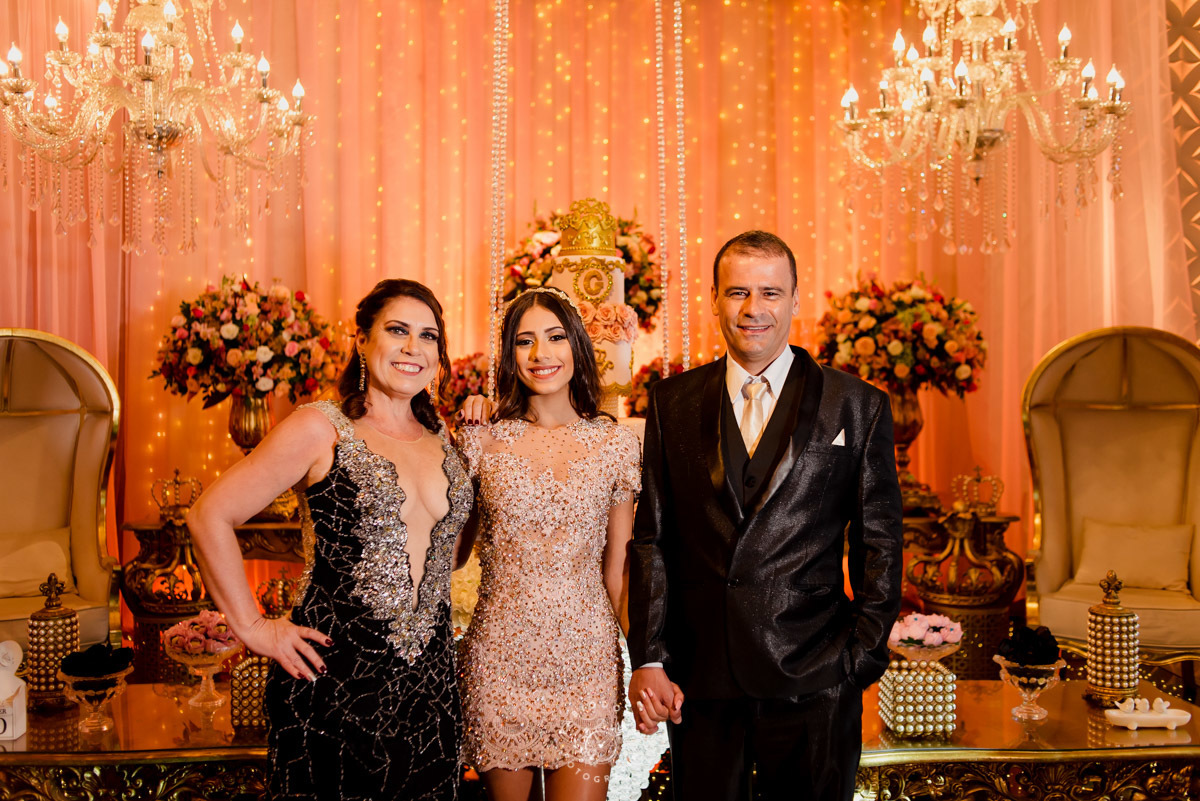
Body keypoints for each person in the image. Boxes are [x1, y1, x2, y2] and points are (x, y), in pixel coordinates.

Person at [626, 231, 903, 801]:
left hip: (816, 675)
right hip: (701, 677)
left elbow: (880, 542)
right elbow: (652, 538)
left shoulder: (857, 405)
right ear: (714, 300)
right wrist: (649, 656)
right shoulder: (671, 402)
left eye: (770, 293)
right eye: (738, 292)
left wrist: (861, 656)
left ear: (796, 299)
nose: (754, 309)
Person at [188, 278, 475, 801]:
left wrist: (479, 459)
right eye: (397, 330)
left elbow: (449, 558)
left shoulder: (446, 441)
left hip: (430, 691)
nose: (414, 348)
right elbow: (210, 515)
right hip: (333, 682)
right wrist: (253, 627)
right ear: (362, 340)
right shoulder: (321, 428)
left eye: (429, 336)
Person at [456, 286, 641, 801]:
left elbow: (618, 572)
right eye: (525, 341)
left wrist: (648, 663)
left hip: (587, 665)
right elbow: (452, 553)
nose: (541, 354)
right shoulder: (481, 439)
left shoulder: (616, 444)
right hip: (500, 661)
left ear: (577, 345)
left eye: (556, 337)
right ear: (509, 354)